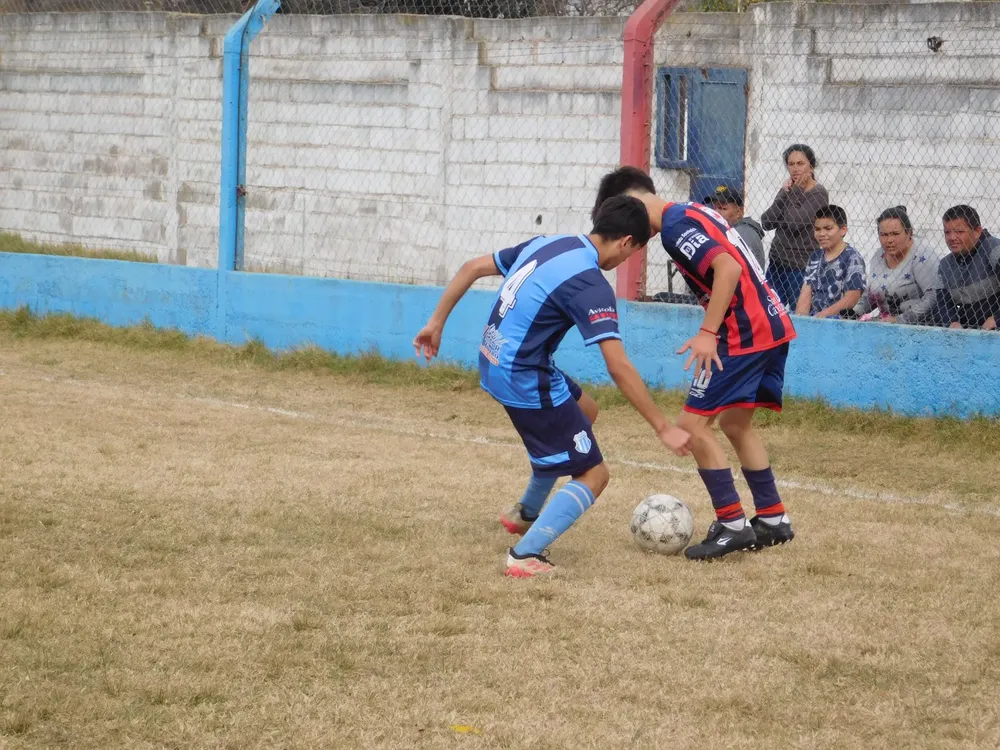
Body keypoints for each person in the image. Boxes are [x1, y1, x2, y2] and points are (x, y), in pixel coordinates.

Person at [413, 195, 692, 578]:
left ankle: (526, 512)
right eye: (632, 255)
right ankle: (525, 555)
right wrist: (663, 426)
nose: (624, 263)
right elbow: (618, 365)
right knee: (595, 475)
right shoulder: (589, 284)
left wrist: (435, 323)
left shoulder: (549, 244)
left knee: (586, 411)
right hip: (522, 375)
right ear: (627, 241)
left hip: (495, 359)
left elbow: (471, 266)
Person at [594, 167, 797, 561]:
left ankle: (734, 525)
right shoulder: (691, 211)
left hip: (745, 331)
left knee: (692, 426)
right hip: (772, 324)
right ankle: (773, 518)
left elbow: (729, 268)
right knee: (736, 424)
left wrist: (708, 332)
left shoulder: (674, 226)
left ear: (632, 202)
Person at [760, 144, 830, 309]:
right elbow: (767, 221)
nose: (795, 169)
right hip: (777, 263)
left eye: (800, 164)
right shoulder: (788, 190)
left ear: (811, 166)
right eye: (791, 164)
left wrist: (794, 191)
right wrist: (785, 193)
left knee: (799, 315)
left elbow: (794, 223)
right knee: (771, 312)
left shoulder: (818, 193)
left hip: (799, 267)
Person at [853, 206, 943, 325]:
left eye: (895, 234)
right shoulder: (878, 256)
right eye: (884, 235)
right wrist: (853, 314)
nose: (889, 240)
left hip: (921, 326)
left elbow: (933, 296)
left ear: (909, 232)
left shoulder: (922, 255)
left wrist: (900, 320)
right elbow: (871, 295)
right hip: (886, 324)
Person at [934, 205, 1000, 330]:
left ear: (977, 231)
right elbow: (942, 303)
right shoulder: (945, 265)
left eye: (959, 232)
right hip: (968, 335)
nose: (952, 238)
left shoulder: (995, 250)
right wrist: (951, 322)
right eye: (947, 232)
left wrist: (996, 319)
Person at [795, 205, 866, 318]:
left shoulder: (852, 257)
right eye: (817, 229)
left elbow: (852, 298)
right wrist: (801, 320)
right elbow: (806, 291)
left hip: (840, 321)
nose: (822, 234)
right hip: (815, 319)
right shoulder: (815, 256)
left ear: (843, 230)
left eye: (828, 229)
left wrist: (821, 317)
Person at [703, 185, 766, 269]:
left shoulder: (741, 233)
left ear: (739, 212)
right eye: (714, 208)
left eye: (722, 208)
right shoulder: (730, 229)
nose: (715, 213)